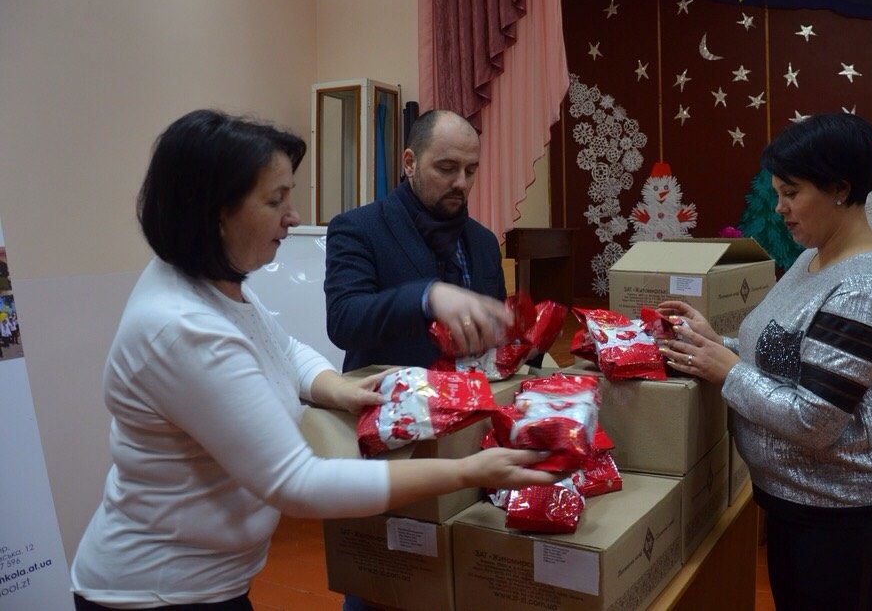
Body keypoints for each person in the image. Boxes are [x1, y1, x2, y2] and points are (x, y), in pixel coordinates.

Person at [69, 110, 556, 610]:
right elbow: (299, 484)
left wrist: (337, 388)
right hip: (159, 592)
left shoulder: (213, 286)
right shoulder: (183, 329)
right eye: (275, 200)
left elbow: (283, 349)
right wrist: (468, 471)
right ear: (216, 212)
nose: (294, 217)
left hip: (210, 581)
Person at [658, 113, 872, 611]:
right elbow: (780, 352)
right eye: (777, 193)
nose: (780, 208)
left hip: (852, 512)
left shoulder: (863, 290)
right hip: (802, 503)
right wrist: (713, 340)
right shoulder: (813, 258)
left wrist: (725, 368)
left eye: (791, 193)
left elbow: (814, 421)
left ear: (841, 189)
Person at [325, 109, 510, 372]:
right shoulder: (359, 228)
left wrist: (526, 340)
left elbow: (495, 335)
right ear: (410, 163)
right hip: (392, 395)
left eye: (470, 171)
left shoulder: (484, 242)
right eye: (447, 168)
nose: (461, 183)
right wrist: (427, 296)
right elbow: (344, 321)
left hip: (476, 393)